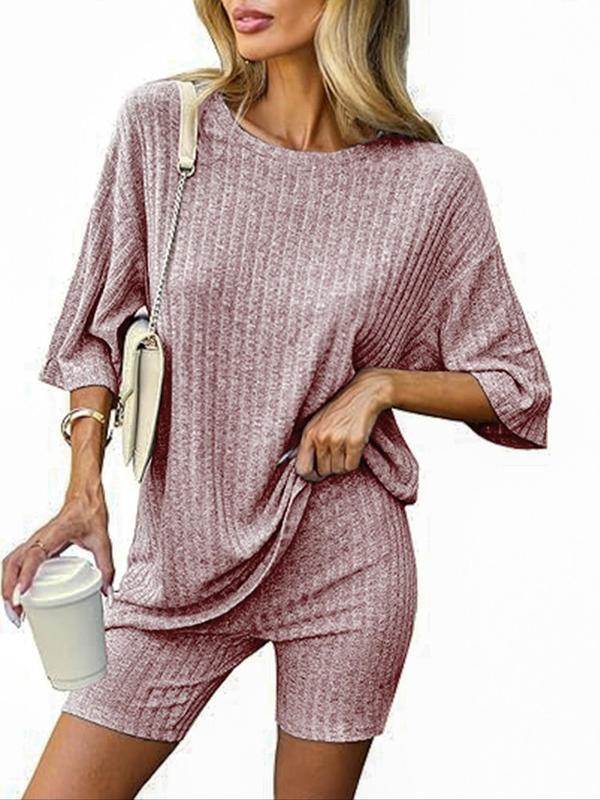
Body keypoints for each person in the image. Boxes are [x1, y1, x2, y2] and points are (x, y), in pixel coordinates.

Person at [3, 1, 552, 798]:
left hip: (344, 562)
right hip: (180, 562)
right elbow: (98, 327)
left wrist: (381, 386)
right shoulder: (168, 128)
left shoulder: (430, 184)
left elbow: (516, 384)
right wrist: (82, 490)